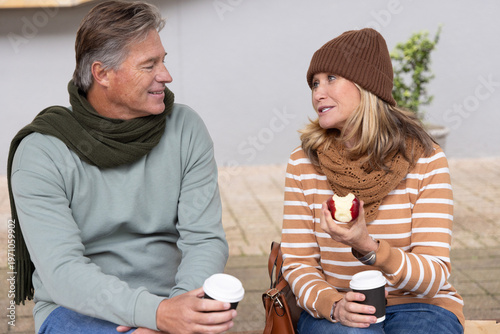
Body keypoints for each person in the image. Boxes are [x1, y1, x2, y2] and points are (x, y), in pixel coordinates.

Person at [7, 1, 236, 333]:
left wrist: (178, 311)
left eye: (164, 60)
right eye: (149, 65)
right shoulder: (42, 150)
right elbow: (63, 271)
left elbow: (204, 240)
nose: (166, 76)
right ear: (102, 74)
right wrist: (154, 314)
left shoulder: (185, 128)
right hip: (78, 309)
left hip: (173, 300)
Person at [280, 28, 464, 334]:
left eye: (331, 79)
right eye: (314, 83)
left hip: (420, 305)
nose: (317, 93)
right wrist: (334, 306)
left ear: (367, 86)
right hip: (339, 307)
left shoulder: (426, 159)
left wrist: (367, 246)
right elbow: (298, 264)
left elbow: (433, 275)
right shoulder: (303, 163)